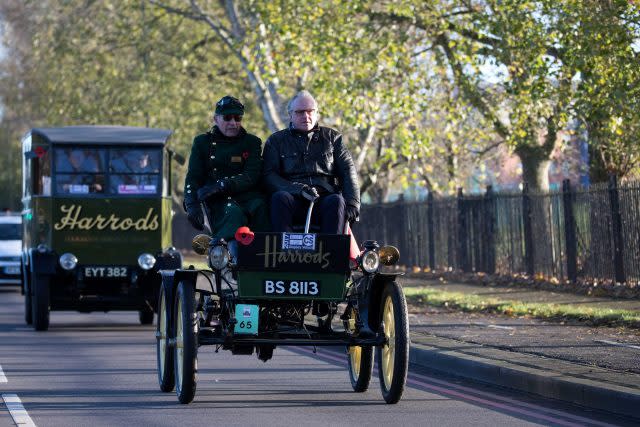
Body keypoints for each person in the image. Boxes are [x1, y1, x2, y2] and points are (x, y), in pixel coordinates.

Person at [263, 90, 360, 233]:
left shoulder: (333, 138)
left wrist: (352, 203)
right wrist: (299, 189)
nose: (306, 116)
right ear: (290, 115)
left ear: (317, 113)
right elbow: (268, 176)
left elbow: (348, 171)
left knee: (337, 201)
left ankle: (330, 253)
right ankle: (283, 253)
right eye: (300, 112)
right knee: (279, 198)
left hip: (325, 200)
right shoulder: (276, 141)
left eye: (310, 111)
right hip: (292, 199)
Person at [183, 95, 270, 243]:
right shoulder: (202, 143)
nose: (233, 123)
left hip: (249, 199)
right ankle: (226, 259)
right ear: (216, 119)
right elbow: (193, 177)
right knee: (232, 214)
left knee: (262, 212)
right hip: (220, 203)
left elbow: (251, 176)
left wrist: (222, 185)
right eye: (227, 118)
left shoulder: (252, 142)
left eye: (237, 118)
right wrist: (191, 204)